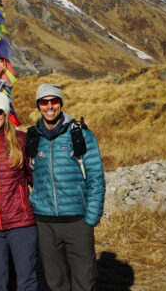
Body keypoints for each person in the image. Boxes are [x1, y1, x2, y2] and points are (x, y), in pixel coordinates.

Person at [27, 84, 105, 291]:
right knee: (55, 283)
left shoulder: (80, 134)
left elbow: (96, 177)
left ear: (61, 103)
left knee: (84, 281)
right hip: (45, 223)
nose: (49, 106)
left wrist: (91, 218)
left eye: (54, 101)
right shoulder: (32, 137)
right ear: (38, 106)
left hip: (77, 222)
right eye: (44, 102)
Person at [0, 90, 37, 291]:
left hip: (21, 222)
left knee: (26, 280)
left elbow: (34, 178)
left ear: (5, 112)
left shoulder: (22, 140)